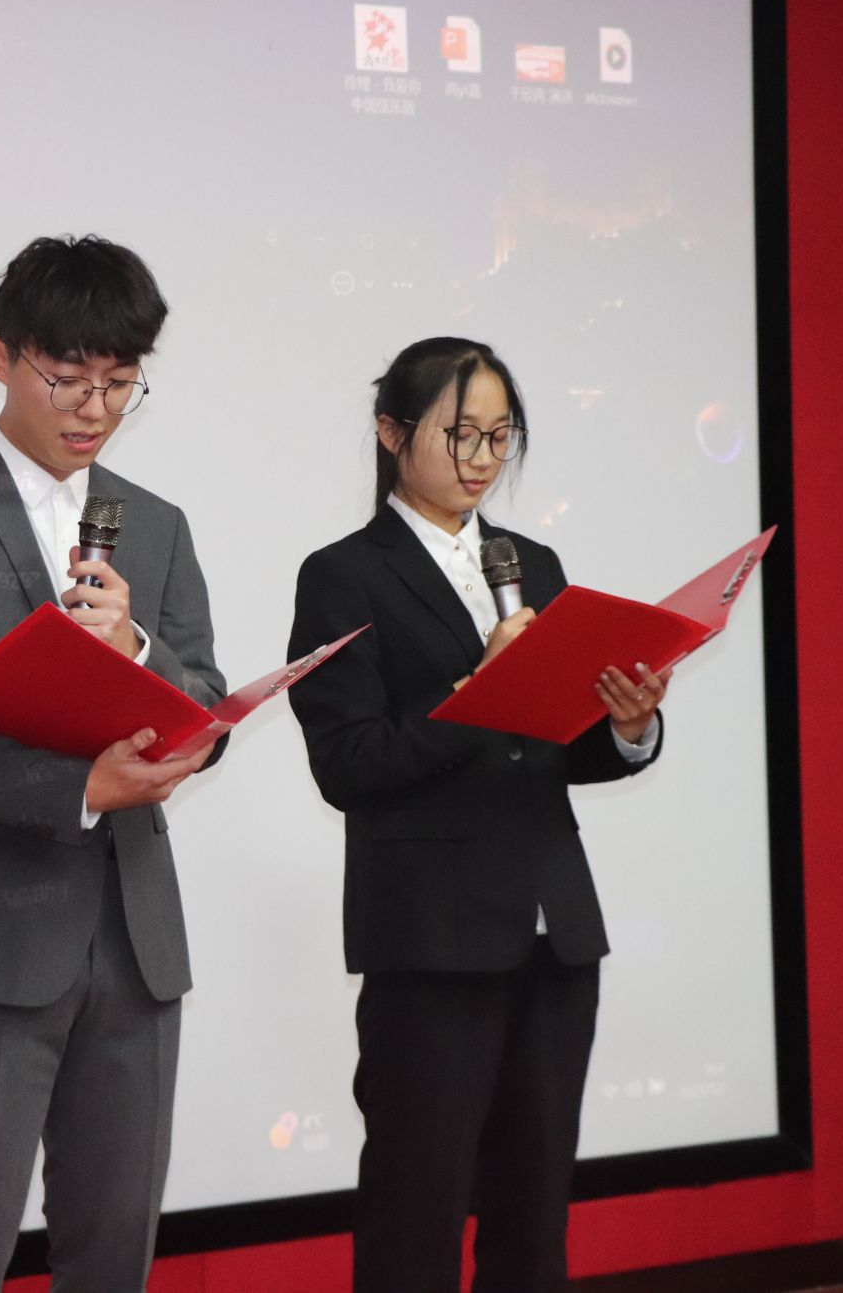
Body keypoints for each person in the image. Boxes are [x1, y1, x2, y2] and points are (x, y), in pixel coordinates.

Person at [0, 235, 227, 1293]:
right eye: (67, 378)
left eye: (119, 383)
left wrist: (138, 650)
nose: (93, 409)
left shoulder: (155, 524)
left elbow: (204, 698)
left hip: (137, 940)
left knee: (113, 1251)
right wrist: (79, 788)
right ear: (1, 358)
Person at [285, 336, 669, 1293]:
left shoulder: (534, 562)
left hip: (554, 929)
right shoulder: (343, 574)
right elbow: (348, 763)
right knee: (415, 1212)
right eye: (461, 434)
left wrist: (628, 724)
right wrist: (477, 692)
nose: (483, 458)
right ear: (390, 432)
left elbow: (560, 747)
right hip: (430, 939)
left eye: (501, 436)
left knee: (533, 1214)